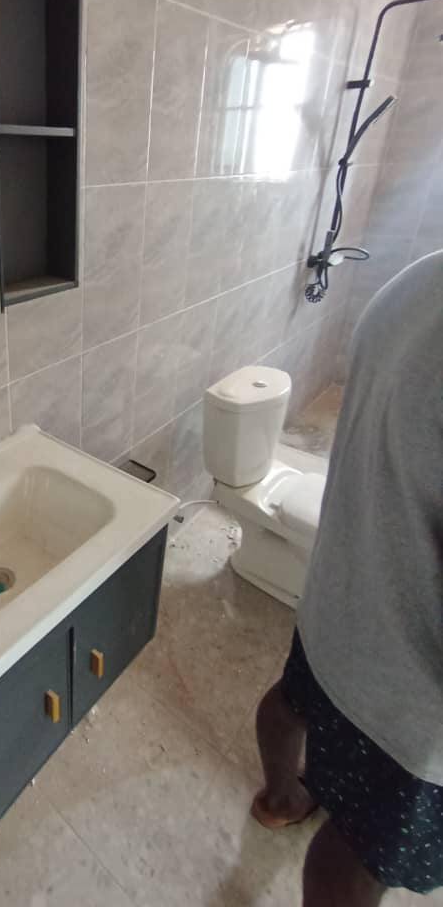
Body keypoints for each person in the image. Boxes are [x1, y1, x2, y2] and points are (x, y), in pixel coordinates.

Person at [252, 249, 443, 905]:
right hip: (410, 692)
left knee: (290, 703)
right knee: (365, 847)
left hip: (337, 599)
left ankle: (280, 798)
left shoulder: (418, 278)